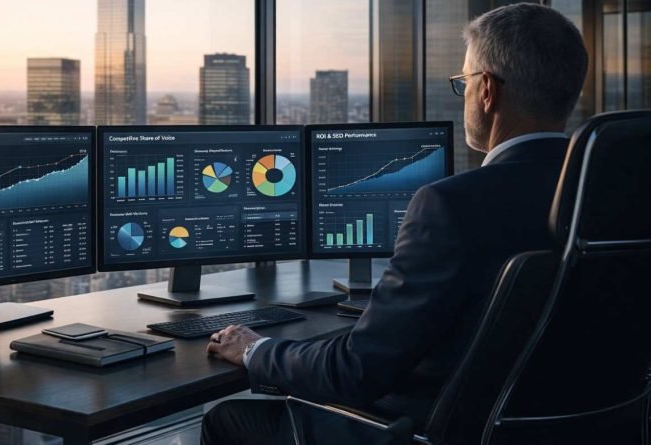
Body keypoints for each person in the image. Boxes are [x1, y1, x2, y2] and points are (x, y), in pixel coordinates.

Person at [202, 4, 589, 444]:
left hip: (431, 428)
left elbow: (357, 371)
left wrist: (256, 349)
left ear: (487, 92)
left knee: (229, 419)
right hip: (575, 427)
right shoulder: (606, 194)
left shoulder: (453, 206)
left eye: (463, 82)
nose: (461, 94)